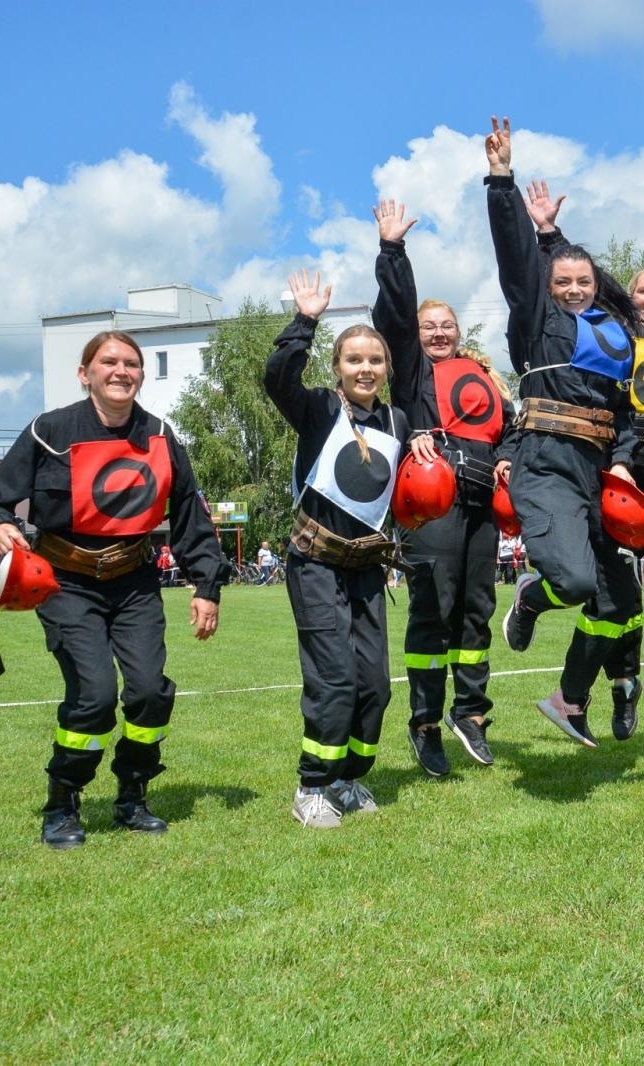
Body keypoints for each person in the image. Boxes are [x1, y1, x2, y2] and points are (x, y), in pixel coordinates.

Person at [0, 329, 224, 848]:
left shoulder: (161, 435)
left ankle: (133, 794)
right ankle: (63, 802)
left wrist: (206, 586)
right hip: (66, 584)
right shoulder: (49, 431)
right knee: (95, 695)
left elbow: (191, 515)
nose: (122, 371)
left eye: (132, 363)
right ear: (85, 374)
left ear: (141, 375)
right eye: (109, 362)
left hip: (135, 583)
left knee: (149, 692)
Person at [522, 184, 644, 743]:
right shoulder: (611, 334)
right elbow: (579, 281)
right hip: (614, 469)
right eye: (641, 290)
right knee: (615, 592)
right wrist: (551, 235)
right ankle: (623, 687)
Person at [484, 117, 643, 749]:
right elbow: (516, 261)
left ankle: (568, 700)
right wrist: (502, 182)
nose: (574, 290)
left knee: (619, 602)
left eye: (584, 282)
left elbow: (627, 413)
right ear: (547, 289)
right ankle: (529, 595)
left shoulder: (614, 333)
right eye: (562, 282)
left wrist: (624, 459)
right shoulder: (536, 319)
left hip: (600, 470)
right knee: (574, 584)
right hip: (545, 460)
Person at [265, 269, 409, 827]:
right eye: (353, 360)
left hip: (367, 568)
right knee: (334, 679)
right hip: (316, 564)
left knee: (374, 685)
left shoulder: (397, 419)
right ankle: (312, 785)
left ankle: (348, 778)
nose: (365, 368)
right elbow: (278, 378)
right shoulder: (320, 409)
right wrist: (304, 322)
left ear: (386, 368)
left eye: (374, 360)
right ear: (337, 367)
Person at [373, 198, 510, 774]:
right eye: (428, 326)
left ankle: (471, 713)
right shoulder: (411, 373)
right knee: (433, 610)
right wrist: (393, 252)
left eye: (445, 325)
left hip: (481, 506)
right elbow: (394, 318)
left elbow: (510, 428)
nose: (436, 332)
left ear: (458, 332)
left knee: (477, 610)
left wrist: (507, 461)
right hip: (431, 504)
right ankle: (425, 722)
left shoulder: (483, 375)